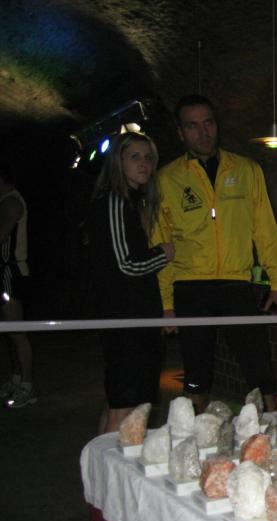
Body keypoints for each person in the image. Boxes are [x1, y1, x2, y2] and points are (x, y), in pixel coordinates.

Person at [152, 95, 277, 413]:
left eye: (208, 123)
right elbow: (161, 243)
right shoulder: (167, 179)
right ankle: (196, 431)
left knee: (259, 366)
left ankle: (273, 427)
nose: (203, 132)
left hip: (235, 283)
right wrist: (166, 303)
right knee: (196, 373)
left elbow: (264, 229)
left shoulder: (246, 170)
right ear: (180, 133)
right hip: (190, 286)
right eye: (193, 126)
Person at [89, 132, 174, 433]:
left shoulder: (130, 203)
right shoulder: (115, 201)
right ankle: (110, 465)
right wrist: (163, 253)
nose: (144, 164)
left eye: (148, 158)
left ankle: (102, 463)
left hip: (135, 318)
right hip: (126, 319)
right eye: (135, 157)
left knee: (124, 404)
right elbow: (126, 264)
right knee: (125, 406)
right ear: (118, 162)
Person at [0, 161, 34, 408]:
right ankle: (15, 378)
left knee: (17, 331)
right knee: (8, 331)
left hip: (11, 271)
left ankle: (27, 386)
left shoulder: (11, 202)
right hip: (4, 272)